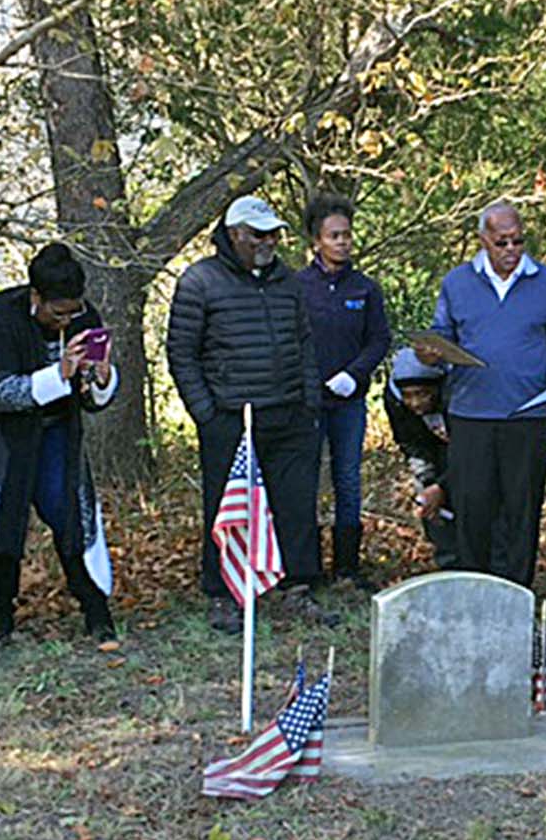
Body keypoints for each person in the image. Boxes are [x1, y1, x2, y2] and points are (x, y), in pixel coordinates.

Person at [0, 242, 118, 644]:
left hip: (53, 426)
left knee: (67, 507)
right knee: (3, 515)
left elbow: (90, 398)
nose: (66, 319)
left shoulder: (84, 317)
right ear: (36, 297)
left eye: (73, 310)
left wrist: (101, 378)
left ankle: (95, 608)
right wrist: (59, 373)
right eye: (57, 311)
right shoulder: (0, 315)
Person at [166, 196, 332, 632]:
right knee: (225, 507)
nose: (269, 242)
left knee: (296, 505)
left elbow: (304, 342)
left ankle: (298, 588)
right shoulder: (199, 281)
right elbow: (182, 354)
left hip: (290, 412)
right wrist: (206, 412)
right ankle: (223, 594)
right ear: (234, 233)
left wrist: (309, 400)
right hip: (230, 417)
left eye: (274, 233)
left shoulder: (288, 281)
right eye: (258, 234)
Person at [415, 202, 546, 587]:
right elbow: (443, 334)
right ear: (483, 239)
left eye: (518, 241)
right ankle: (475, 586)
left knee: (521, 507)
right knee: (473, 506)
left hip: (528, 415)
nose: (511, 249)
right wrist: (431, 353)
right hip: (472, 414)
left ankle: (517, 589)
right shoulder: (457, 283)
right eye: (502, 241)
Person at [295, 194, 390, 587]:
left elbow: (379, 339)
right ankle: (307, 566)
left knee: (348, 479)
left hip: (349, 402)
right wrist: (309, 378)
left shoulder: (364, 289)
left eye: (347, 235)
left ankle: (347, 567)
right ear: (317, 240)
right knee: (306, 479)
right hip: (309, 401)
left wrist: (355, 373)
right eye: (334, 236)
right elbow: (291, 340)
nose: (342, 242)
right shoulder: (297, 286)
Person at [383, 347, 457, 569]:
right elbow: (411, 444)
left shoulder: (457, 395)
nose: (415, 403)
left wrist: (444, 486)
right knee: (432, 506)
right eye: (408, 395)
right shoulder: (395, 402)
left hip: (465, 452)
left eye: (422, 393)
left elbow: (471, 454)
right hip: (429, 448)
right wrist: (428, 482)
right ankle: (449, 563)